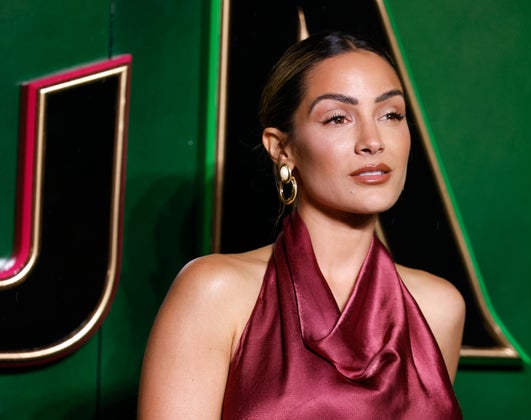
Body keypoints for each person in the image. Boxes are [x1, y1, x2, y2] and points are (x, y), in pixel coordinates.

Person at [138, 31, 465, 419]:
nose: (373, 141)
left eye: (391, 114)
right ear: (282, 148)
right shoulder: (216, 292)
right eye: (338, 118)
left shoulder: (438, 307)